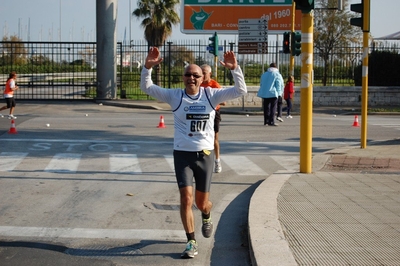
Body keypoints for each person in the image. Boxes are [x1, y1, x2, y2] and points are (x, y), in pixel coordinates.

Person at [140, 47, 247, 259]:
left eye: (196, 75)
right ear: (183, 78)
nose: (191, 78)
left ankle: (207, 214)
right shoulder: (175, 96)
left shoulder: (211, 95)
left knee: (201, 203)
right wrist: (147, 67)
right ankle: (191, 241)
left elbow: (240, 90)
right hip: (182, 155)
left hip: (205, 156)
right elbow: (147, 87)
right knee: (186, 198)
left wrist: (235, 69)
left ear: (202, 78)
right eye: (188, 75)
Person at [200, 64, 225, 174]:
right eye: (201, 72)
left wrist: (211, 99)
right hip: (201, 112)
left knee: (214, 138)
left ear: (209, 74)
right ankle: (203, 160)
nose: (202, 75)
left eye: (204, 72)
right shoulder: (198, 84)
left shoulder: (214, 85)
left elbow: (223, 101)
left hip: (214, 112)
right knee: (201, 136)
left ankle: (217, 160)